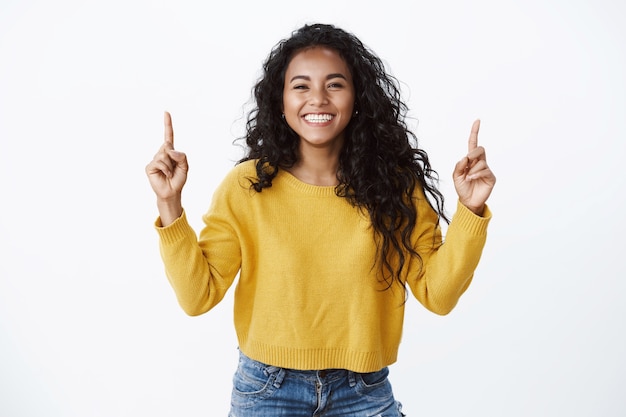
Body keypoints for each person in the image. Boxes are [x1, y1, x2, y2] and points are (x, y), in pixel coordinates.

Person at [146, 23, 495, 417]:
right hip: (267, 390)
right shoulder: (246, 187)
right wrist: (170, 203)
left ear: (357, 96)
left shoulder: (392, 187)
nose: (318, 99)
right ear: (280, 100)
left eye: (334, 84)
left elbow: (440, 295)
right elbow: (198, 297)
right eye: (301, 86)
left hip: (363, 392)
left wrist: (471, 210)